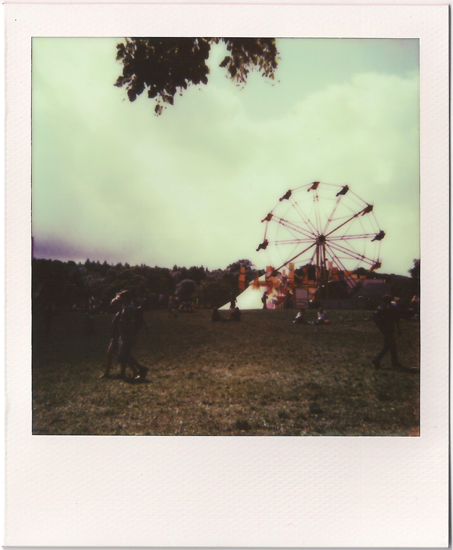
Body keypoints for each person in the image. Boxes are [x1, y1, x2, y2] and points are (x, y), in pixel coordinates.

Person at [117, 291, 148, 380]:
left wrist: (133, 335)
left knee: (125, 354)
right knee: (124, 354)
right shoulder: (125, 306)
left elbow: (131, 322)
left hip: (128, 334)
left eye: (121, 297)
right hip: (124, 333)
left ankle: (140, 368)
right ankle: (140, 369)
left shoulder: (130, 308)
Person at [371, 295, 402, 370]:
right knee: (389, 346)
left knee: (391, 345)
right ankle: (377, 359)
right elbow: (396, 319)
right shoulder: (391, 308)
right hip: (389, 329)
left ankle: (394, 361)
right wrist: (398, 329)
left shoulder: (380, 308)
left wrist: (380, 327)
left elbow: (375, 318)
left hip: (385, 329)